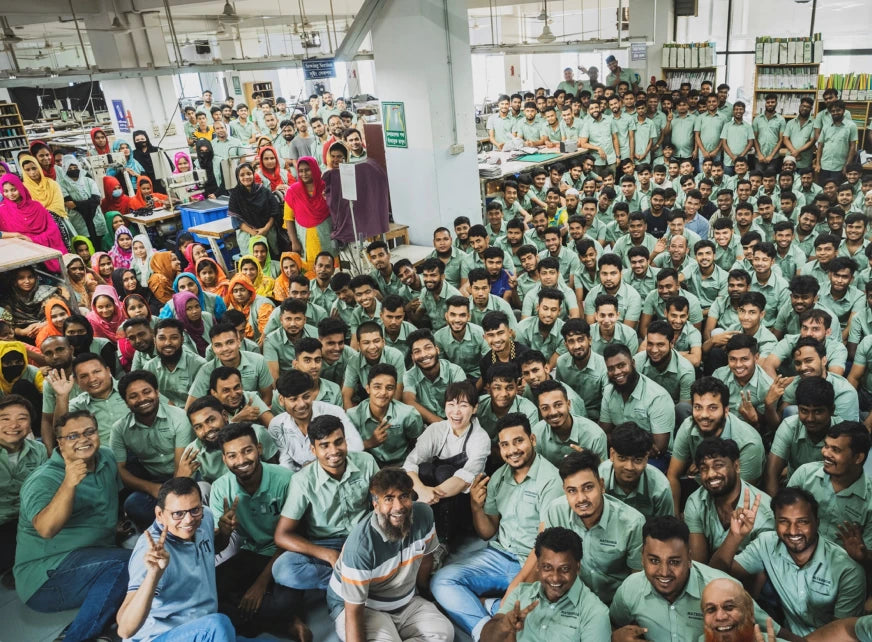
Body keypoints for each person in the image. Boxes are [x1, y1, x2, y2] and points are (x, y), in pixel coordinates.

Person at [430, 413, 562, 638]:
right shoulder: (499, 477)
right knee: (441, 581)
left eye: (518, 441)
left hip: (534, 563)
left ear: (532, 439)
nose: (512, 450)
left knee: (539, 623)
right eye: (505, 444)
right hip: (500, 555)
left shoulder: (551, 480)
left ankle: (492, 607)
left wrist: (515, 589)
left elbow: (545, 548)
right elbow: (487, 532)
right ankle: (485, 629)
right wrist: (475, 507)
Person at [15, 410, 131, 642]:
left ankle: (96, 628)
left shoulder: (106, 457)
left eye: (89, 432)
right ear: (60, 443)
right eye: (72, 436)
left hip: (92, 556)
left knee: (145, 563)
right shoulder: (43, 479)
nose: (83, 439)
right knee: (129, 563)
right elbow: (46, 529)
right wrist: (69, 484)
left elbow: (111, 498)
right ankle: (75, 637)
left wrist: (112, 528)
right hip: (44, 579)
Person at [710, 487, 865, 636]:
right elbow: (714, 576)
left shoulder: (848, 571)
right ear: (775, 522)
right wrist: (735, 536)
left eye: (802, 522)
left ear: (817, 523)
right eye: (784, 521)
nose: (792, 531)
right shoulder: (766, 543)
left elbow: (843, 634)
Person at [208, 422, 311, 640]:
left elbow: (297, 537)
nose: (241, 460)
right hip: (251, 551)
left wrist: (260, 584)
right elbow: (219, 547)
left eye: (247, 451)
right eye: (232, 455)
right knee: (209, 592)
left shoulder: (286, 480)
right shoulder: (220, 488)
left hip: (286, 554)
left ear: (259, 449)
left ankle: (268, 616)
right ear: (224, 459)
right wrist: (224, 532)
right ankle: (288, 623)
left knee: (283, 602)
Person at [326, 467, 453, 642]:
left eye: (404, 496)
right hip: (361, 606)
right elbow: (353, 612)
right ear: (375, 504)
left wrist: (424, 593)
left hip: (405, 600)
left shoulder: (424, 515)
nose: (398, 507)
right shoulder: (361, 546)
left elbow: (426, 559)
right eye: (388, 499)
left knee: (444, 633)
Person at [610, 515, 775, 642]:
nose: (664, 572)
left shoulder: (723, 590)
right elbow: (614, 624)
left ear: (689, 558)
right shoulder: (630, 589)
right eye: (654, 560)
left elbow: (773, 631)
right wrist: (615, 636)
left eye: (674, 562)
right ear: (642, 558)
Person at [116, 477, 241, 642]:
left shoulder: (205, 518)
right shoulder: (152, 552)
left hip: (200, 630)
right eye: (178, 514)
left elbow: (209, 549)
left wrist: (224, 534)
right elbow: (125, 630)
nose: (188, 520)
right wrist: (154, 575)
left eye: (194, 510)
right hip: (159, 637)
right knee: (219, 625)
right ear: (160, 514)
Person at [272, 414, 379, 593]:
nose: (334, 451)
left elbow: (382, 504)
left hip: (365, 537)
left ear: (345, 441)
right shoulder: (302, 481)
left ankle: (353, 584)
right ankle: (355, 583)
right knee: (284, 569)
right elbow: (282, 535)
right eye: (324, 445)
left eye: (338, 442)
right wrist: (328, 554)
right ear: (313, 450)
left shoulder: (366, 461)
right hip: (326, 544)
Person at [480, 527, 611, 642]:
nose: (555, 578)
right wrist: (502, 626)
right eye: (547, 567)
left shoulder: (595, 613)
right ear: (537, 566)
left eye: (564, 569)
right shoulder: (520, 593)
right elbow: (486, 638)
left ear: (577, 567)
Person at [403, 381, 490, 548]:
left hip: (461, 501)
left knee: (444, 471)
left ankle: (444, 542)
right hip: (429, 498)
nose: (456, 412)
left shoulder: (480, 438)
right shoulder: (436, 429)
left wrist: (431, 495)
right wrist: (423, 491)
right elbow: (410, 463)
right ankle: (419, 534)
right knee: (424, 469)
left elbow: (463, 479)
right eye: (451, 404)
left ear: (475, 408)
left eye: (463, 405)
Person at [667, 377, 765, 513]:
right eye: (698, 407)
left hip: (736, 498)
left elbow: (740, 495)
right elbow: (672, 475)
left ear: (726, 410)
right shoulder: (688, 426)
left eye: (712, 408)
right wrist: (675, 515)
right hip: (702, 485)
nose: (704, 415)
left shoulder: (749, 443)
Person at [112, 370, 195, 529]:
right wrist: (152, 488)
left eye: (146, 392)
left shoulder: (178, 417)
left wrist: (170, 498)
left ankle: (174, 526)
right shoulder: (120, 429)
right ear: (126, 402)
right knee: (132, 504)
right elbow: (120, 470)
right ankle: (164, 530)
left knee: (196, 496)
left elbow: (181, 467)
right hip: (155, 482)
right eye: (133, 396)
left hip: (187, 473)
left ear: (157, 392)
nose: (142, 399)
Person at [787, 420, 872, 558]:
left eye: (835, 450)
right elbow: (783, 516)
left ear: (858, 458)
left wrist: (862, 557)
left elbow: (867, 555)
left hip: (841, 565)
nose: (825, 453)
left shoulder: (869, 500)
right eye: (826, 446)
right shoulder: (805, 474)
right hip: (795, 553)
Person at [685, 438, 774, 565]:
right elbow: (698, 565)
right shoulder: (695, 502)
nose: (710, 474)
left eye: (718, 465)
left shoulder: (765, 511)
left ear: (736, 466)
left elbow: (760, 569)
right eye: (704, 468)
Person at [268, 369, 362, 471]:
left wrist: (316, 466)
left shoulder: (334, 413)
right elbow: (286, 461)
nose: (301, 404)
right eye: (293, 399)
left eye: (306, 397)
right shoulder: (277, 426)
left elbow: (357, 447)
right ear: (281, 400)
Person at [0, 395, 47, 573]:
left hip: (28, 523)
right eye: (5, 419)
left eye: (22, 418)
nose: (14, 425)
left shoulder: (39, 451)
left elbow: (43, 490)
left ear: (30, 425)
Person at [347, 363, 424, 467]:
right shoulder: (353, 416)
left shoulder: (409, 414)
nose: (383, 392)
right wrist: (370, 443)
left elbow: (418, 445)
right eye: (377, 387)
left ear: (395, 390)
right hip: (369, 467)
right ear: (368, 389)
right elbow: (345, 449)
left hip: (402, 466)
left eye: (389, 388)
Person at [600, 422, 674, 519]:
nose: (629, 467)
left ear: (646, 458)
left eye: (637, 460)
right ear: (612, 454)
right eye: (622, 458)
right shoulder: (598, 477)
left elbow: (665, 526)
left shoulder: (661, 488)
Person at [0, 174, 67, 273]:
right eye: (6, 191)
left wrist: (34, 240)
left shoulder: (36, 206)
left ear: (20, 188)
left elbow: (53, 229)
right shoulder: (2, 210)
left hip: (47, 249)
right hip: (22, 254)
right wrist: (17, 236)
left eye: (13, 190)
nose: (10, 194)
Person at [284, 156, 333, 272]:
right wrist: (294, 242)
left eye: (307, 170)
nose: (304, 174)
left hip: (327, 236)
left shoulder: (326, 188)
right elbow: (288, 219)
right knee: (310, 272)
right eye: (300, 171)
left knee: (329, 267)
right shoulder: (293, 192)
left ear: (315, 169)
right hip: (305, 240)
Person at [229, 162, 280, 257]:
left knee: (272, 259)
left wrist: (265, 229)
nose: (246, 177)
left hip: (267, 231)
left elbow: (274, 211)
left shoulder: (263, 191)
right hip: (247, 234)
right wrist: (254, 233)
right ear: (238, 177)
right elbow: (236, 220)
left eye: (249, 173)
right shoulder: (235, 195)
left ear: (253, 174)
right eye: (242, 175)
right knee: (252, 261)